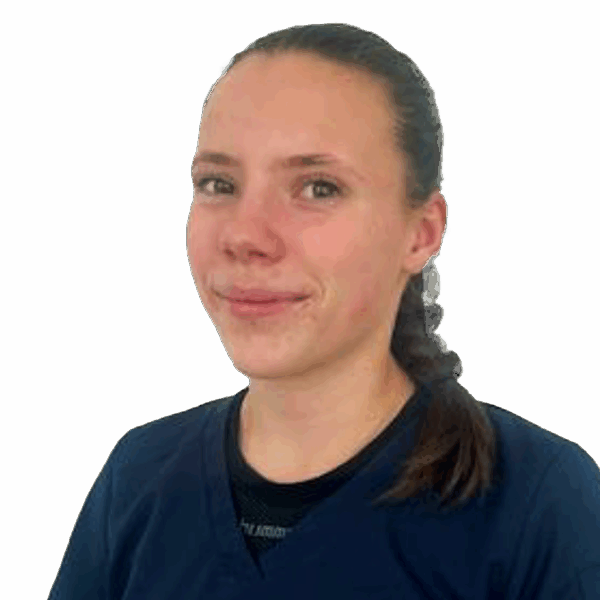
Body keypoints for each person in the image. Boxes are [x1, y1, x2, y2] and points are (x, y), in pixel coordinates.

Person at [48, 23, 600, 599]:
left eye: (318, 188)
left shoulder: (540, 506)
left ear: (421, 233)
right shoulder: (138, 477)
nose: (244, 235)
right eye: (218, 183)